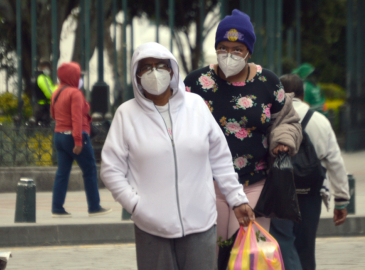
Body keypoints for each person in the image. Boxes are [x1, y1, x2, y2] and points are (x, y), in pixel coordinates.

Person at [100, 42, 255, 270]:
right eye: (146, 67)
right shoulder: (126, 114)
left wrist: (237, 198)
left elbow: (220, 158)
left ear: (172, 70)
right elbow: (110, 169)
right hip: (151, 226)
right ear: (137, 75)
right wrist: (135, 206)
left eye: (160, 65)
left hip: (200, 221)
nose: (154, 72)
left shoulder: (196, 107)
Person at [183, 9, 303, 269]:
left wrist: (282, 141)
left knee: (248, 257)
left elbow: (286, 121)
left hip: (255, 185)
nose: (229, 54)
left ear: (249, 50)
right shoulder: (195, 83)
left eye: (237, 49)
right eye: (223, 47)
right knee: (210, 255)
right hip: (207, 186)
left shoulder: (268, 82)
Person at [280, 73, 350, 270]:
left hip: (278, 191)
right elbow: (335, 161)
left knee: (282, 244)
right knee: (306, 247)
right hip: (310, 192)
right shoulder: (320, 120)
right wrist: (341, 200)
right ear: (303, 95)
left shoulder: (271, 117)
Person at [50, 62, 111, 218]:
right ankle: (94, 207)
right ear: (72, 76)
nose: (79, 78)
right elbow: (76, 118)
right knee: (90, 170)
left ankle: (57, 208)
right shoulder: (75, 93)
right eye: (78, 75)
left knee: (62, 173)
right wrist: (77, 141)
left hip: (59, 135)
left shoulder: (56, 93)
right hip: (74, 135)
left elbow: (53, 115)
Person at [33, 61, 57, 126]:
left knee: (37, 126)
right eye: (49, 69)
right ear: (45, 67)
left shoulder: (36, 76)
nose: (49, 71)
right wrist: (58, 87)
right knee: (44, 127)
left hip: (38, 105)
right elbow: (50, 94)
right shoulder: (43, 78)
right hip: (44, 106)